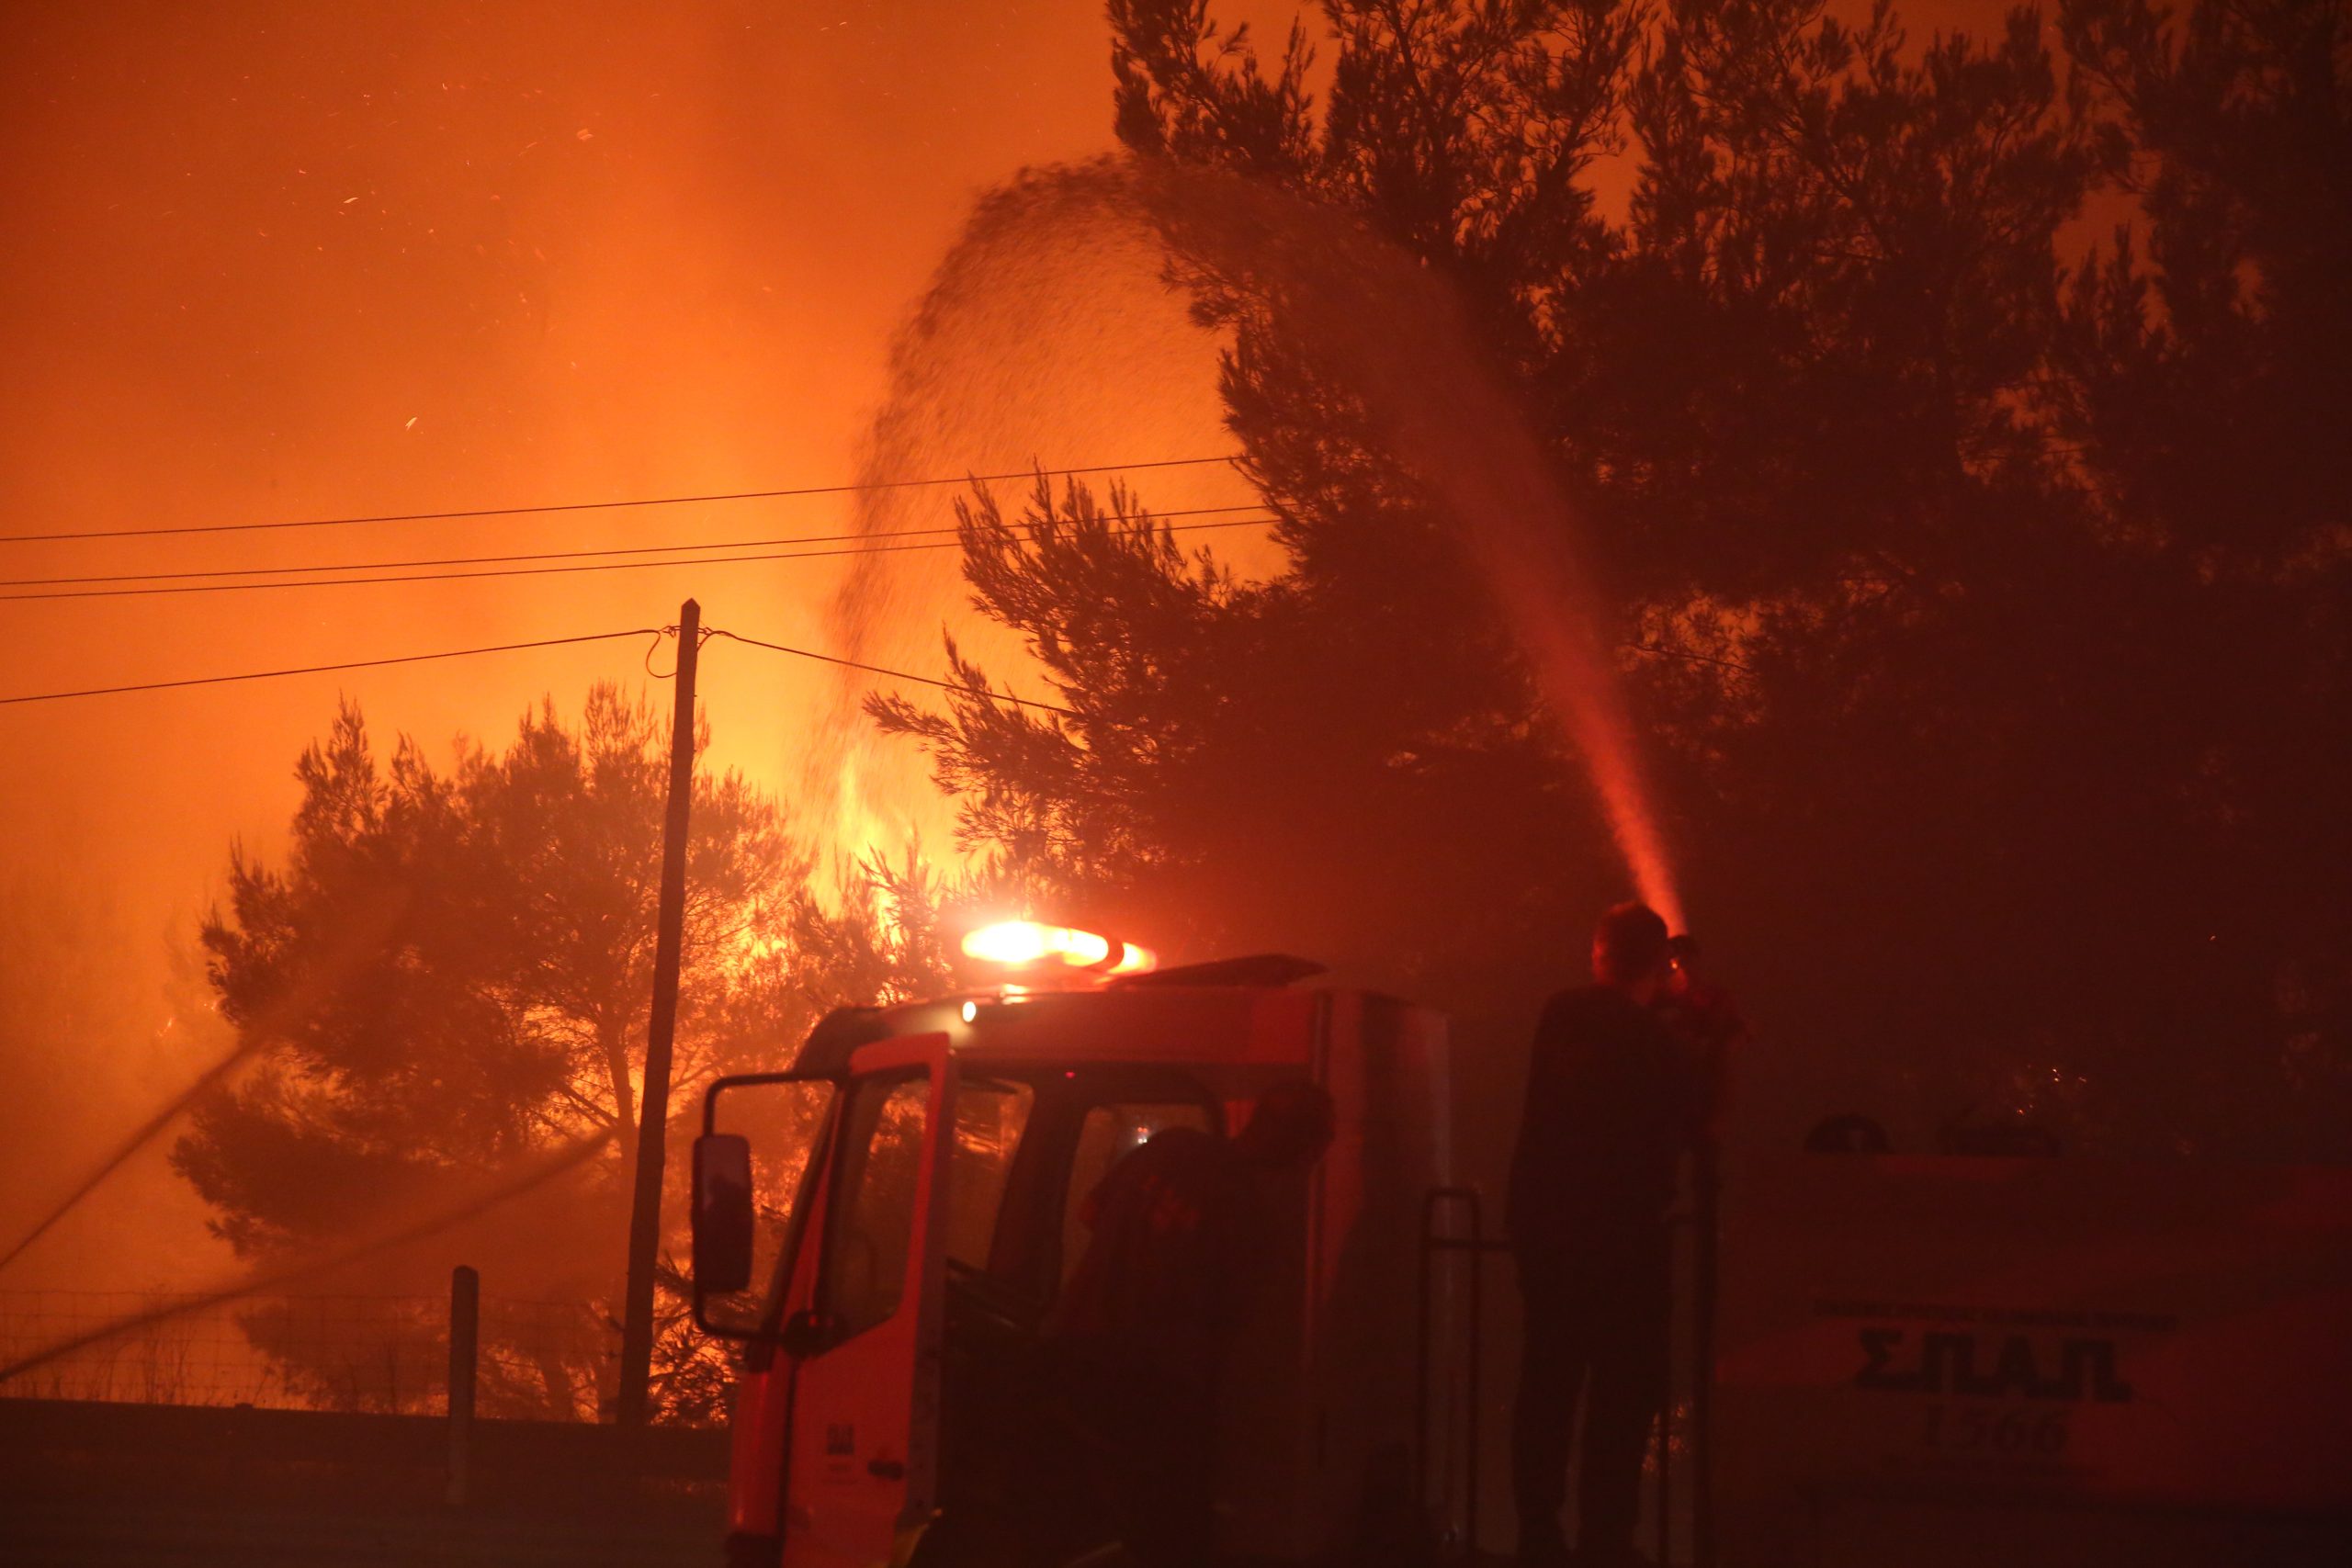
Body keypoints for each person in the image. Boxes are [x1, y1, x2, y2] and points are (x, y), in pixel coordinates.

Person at [1046, 1079, 1337, 1568]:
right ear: (1304, 1150)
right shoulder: (1255, 1220)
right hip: (1156, 1389)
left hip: (1073, 1354)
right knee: (1171, 1530)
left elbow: (1088, 1211)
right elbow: (1231, 1325)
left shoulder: (1174, 1145)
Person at [1507, 902, 1708, 1568]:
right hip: (1623, 1236)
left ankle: (1537, 1532)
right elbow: (1702, 1122)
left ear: (1597, 953)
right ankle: (1605, 1541)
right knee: (1625, 1389)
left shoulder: (1561, 1013)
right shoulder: (1660, 1041)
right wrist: (1707, 1030)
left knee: (1548, 1378)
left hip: (1546, 1228)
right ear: (1657, 963)